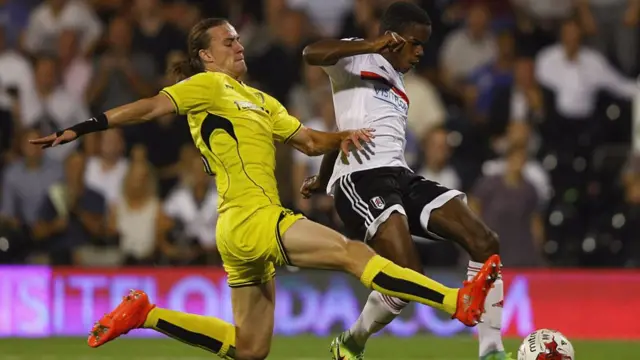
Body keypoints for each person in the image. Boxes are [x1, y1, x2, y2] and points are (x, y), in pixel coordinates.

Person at [30, 18, 500, 360]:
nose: (238, 44)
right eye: (227, 40)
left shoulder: (261, 101)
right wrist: (84, 126)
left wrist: (342, 140)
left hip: (239, 233)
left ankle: (147, 314)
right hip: (254, 218)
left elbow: (311, 141)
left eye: (238, 38)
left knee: (251, 348)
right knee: (355, 256)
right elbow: (150, 108)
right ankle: (455, 301)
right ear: (206, 56)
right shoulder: (208, 85)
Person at [301, 2, 507, 360]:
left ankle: (491, 351)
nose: (420, 52)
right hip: (361, 181)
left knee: (484, 240)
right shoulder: (357, 58)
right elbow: (311, 53)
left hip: (400, 176)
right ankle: (353, 341)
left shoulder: (399, 84)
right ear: (393, 39)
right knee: (409, 275)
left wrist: (320, 177)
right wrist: (372, 44)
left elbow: (345, 131)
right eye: (414, 43)